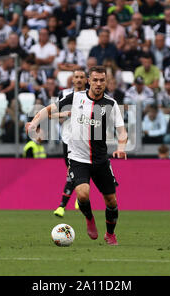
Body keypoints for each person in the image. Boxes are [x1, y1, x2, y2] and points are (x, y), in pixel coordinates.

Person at [26, 66, 127, 246]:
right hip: (78, 158)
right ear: (89, 81)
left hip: (100, 159)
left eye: (101, 80)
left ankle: (110, 234)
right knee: (82, 194)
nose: (98, 84)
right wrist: (34, 123)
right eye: (94, 80)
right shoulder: (76, 97)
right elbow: (48, 109)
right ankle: (89, 218)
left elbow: (122, 131)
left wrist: (121, 147)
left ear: (105, 82)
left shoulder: (110, 104)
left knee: (111, 201)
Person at [54, 69, 87, 218]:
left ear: (86, 80)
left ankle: (62, 206)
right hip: (67, 139)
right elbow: (52, 114)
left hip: (85, 140)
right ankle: (79, 198)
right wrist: (66, 114)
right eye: (76, 77)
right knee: (72, 172)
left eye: (81, 77)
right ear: (72, 80)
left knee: (73, 171)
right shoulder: (64, 94)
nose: (79, 80)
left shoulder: (91, 95)